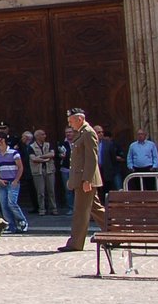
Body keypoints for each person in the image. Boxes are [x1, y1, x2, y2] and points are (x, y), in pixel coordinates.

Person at [58, 108, 107, 252]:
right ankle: (116, 233)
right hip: (81, 178)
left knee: (80, 211)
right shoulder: (81, 133)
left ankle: (75, 243)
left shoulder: (88, 132)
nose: (70, 124)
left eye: (71, 121)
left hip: (85, 179)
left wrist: (87, 180)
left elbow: (92, 159)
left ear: (79, 119)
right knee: (95, 208)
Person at [0, 133, 28, 233]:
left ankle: (22, 222)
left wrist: (16, 180)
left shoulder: (14, 153)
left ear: (2, 140)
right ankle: (10, 225)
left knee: (12, 203)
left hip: (13, 181)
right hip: (3, 182)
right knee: (4, 204)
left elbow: (20, 167)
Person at [29, 129, 57, 216]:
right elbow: (33, 158)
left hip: (49, 170)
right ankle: (42, 209)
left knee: (51, 190)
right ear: (37, 136)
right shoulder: (31, 147)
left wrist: (40, 157)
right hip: (38, 172)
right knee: (40, 192)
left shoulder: (48, 144)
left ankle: (53, 208)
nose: (44, 136)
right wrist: (45, 159)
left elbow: (52, 154)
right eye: (42, 134)